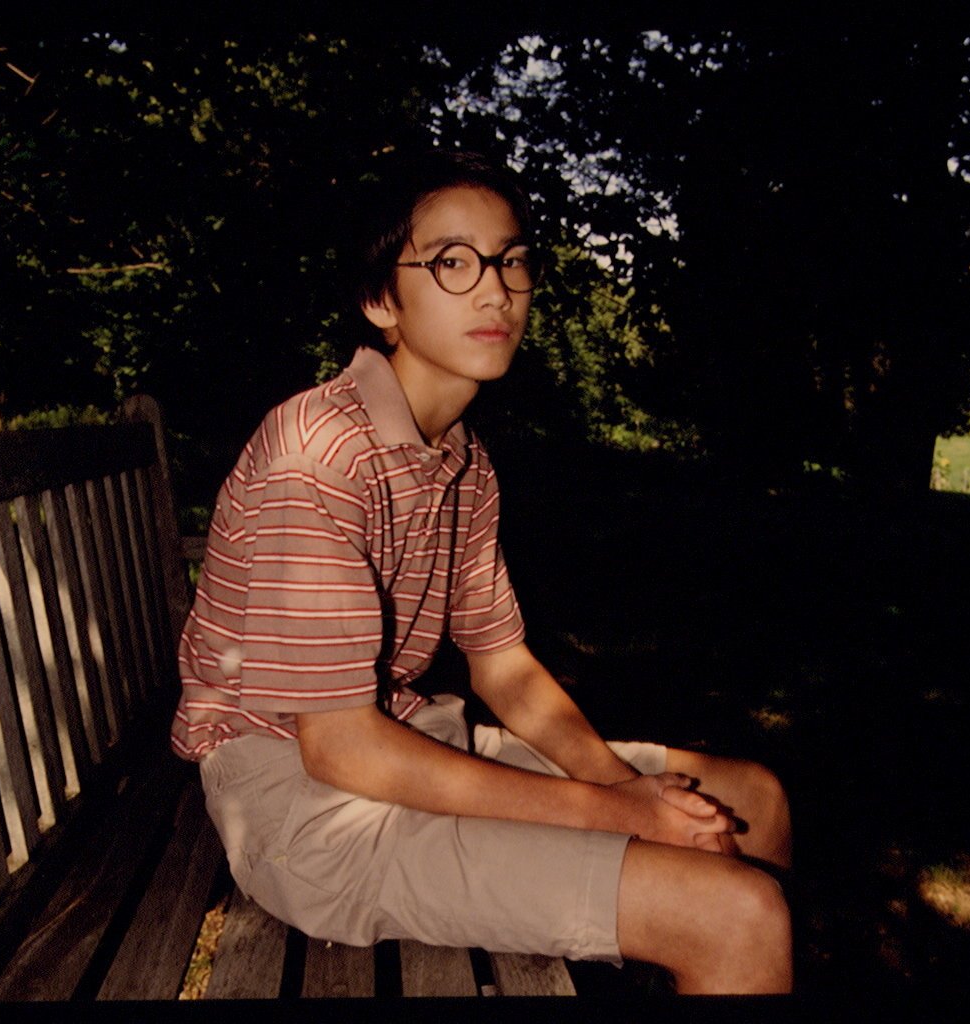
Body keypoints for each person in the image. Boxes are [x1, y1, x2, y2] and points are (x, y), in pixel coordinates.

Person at [170, 149, 793, 994]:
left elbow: (502, 666)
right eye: (452, 262)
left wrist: (631, 789)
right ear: (379, 299)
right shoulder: (314, 456)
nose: (495, 289)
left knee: (752, 798)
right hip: (300, 807)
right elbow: (341, 748)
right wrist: (616, 811)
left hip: (410, 739)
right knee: (736, 913)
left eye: (511, 260)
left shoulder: (462, 462)